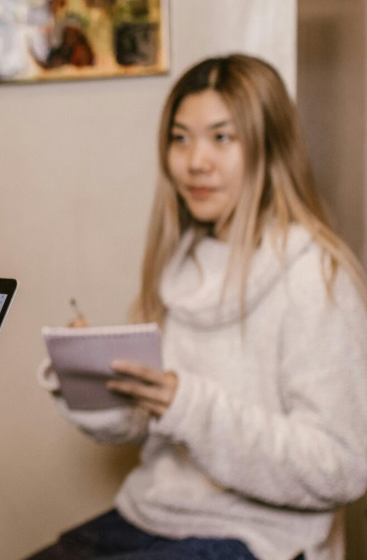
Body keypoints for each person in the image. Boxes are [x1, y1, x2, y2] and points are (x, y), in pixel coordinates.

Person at [31, 54, 367, 560]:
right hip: (153, 514)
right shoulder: (182, 263)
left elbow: (340, 466)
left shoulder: (313, 275)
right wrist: (91, 376)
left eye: (221, 137)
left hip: (259, 537)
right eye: (180, 138)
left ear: (267, 147)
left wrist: (188, 405)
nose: (195, 162)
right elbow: (147, 418)